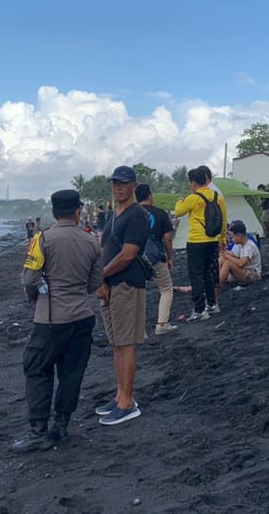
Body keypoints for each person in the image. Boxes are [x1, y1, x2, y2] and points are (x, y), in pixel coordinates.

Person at [11, 190, 104, 453]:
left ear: (53, 212)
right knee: (71, 373)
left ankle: (39, 430)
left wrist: (37, 296)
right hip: (82, 317)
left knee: (37, 368)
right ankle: (61, 425)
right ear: (78, 212)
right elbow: (95, 282)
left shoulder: (43, 239)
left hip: (50, 319)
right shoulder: (91, 242)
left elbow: (30, 279)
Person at [94, 166, 150, 426]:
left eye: (124, 183)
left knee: (125, 343)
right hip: (110, 285)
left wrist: (100, 276)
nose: (118, 188)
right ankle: (120, 396)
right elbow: (104, 248)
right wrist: (101, 279)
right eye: (115, 183)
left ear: (134, 186)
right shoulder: (114, 214)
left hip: (127, 284)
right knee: (116, 342)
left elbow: (128, 254)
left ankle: (127, 403)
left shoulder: (137, 214)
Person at [173, 167, 227, 321]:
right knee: (208, 273)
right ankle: (212, 304)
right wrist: (222, 238)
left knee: (195, 275)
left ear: (194, 183)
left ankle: (199, 309)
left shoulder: (193, 198)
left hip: (196, 241)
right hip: (212, 241)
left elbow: (178, 212)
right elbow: (223, 219)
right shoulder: (217, 196)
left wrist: (179, 201)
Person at [136, 183, 178, 335]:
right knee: (166, 289)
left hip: (136, 257)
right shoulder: (160, 214)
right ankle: (162, 324)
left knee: (138, 292)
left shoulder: (131, 213)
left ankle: (139, 331)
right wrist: (170, 257)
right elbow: (167, 238)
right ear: (150, 196)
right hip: (156, 256)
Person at [217, 220, 261, 289]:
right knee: (222, 259)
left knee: (228, 263)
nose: (232, 240)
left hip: (253, 275)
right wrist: (223, 251)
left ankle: (217, 285)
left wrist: (227, 256)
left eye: (232, 237)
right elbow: (234, 256)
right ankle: (216, 280)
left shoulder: (249, 246)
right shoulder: (241, 245)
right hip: (244, 271)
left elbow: (241, 263)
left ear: (239, 236)